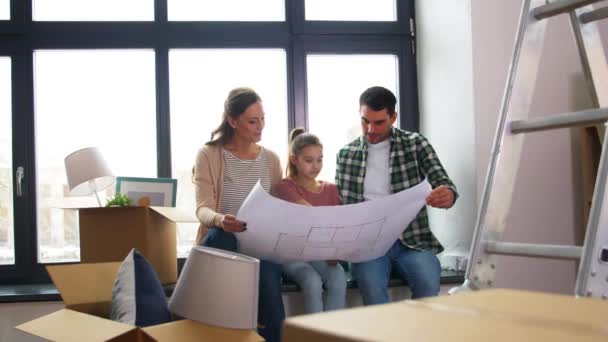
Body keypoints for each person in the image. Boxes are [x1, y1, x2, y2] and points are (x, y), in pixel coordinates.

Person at [335, 86, 458, 304]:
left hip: (412, 241)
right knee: (372, 290)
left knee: (428, 283)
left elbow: (444, 182)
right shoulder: (346, 155)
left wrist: (447, 194)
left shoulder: (415, 144)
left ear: (393, 117)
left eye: (379, 122)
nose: (371, 129)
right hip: (368, 246)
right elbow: (341, 207)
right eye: (365, 121)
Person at [192, 87, 284, 342]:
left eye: (263, 119)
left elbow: (279, 207)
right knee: (219, 236)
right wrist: (221, 220)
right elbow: (202, 208)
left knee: (273, 306)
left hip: (259, 244)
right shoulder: (209, 154)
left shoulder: (271, 160)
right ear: (232, 121)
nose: (260, 126)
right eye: (253, 121)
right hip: (223, 241)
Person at [273, 128, 347, 314]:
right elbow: (310, 215)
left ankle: (332, 334)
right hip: (292, 254)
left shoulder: (331, 190)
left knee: (338, 275)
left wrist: (334, 250)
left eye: (319, 159)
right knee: (312, 281)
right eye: (308, 160)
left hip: (320, 253)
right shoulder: (285, 186)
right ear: (294, 159)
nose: (315, 166)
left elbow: (337, 225)